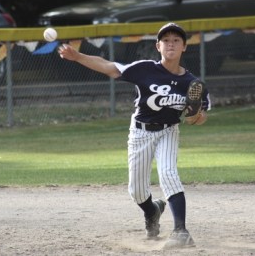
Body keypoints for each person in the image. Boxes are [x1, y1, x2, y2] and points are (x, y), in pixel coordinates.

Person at [58, 22, 211, 248]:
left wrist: (196, 117)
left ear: (184, 47)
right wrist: (78, 56)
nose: (171, 44)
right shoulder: (144, 69)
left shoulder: (192, 83)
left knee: (169, 174)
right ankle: (153, 210)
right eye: (166, 40)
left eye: (176, 40)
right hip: (140, 132)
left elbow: (201, 114)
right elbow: (110, 67)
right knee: (137, 191)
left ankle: (181, 231)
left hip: (168, 131)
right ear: (158, 46)